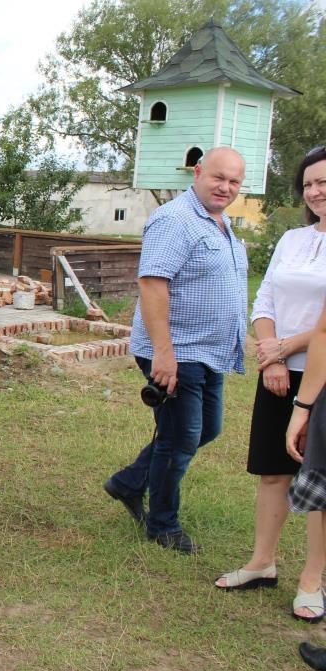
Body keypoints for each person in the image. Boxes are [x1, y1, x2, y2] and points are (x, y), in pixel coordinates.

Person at [103, 147, 248, 554]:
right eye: (218, 177)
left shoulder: (220, 222)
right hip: (178, 350)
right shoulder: (175, 219)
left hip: (208, 351)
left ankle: (130, 482)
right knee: (180, 437)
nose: (225, 187)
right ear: (198, 172)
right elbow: (152, 284)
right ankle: (163, 525)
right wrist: (164, 354)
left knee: (206, 429)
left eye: (234, 182)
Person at [215, 145, 326, 621]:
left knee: (320, 482)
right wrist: (272, 357)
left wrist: (285, 347)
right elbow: (264, 300)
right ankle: (262, 562)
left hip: (322, 376)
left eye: (323, 182)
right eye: (309, 184)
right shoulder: (293, 239)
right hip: (278, 373)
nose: (315, 191)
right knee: (273, 471)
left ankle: (312, 581)